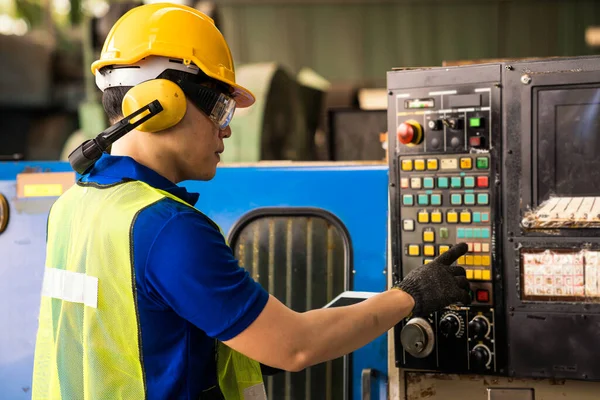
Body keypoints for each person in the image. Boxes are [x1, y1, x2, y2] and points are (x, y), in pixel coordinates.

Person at [31, 3, 471, 399]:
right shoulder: (165, 226)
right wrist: (411, 295)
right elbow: (295, 347)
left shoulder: (72, 205)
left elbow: (132, 339)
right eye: (221, 111)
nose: (226, 130)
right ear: (161, 104)